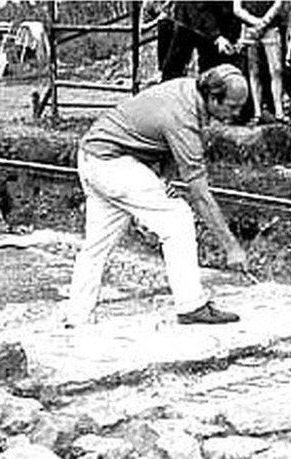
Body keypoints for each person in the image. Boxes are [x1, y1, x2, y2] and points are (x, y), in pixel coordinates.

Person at [66, 64, 250, 327]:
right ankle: (191, 305)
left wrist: (163, 180)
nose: (236, 113)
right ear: (212, 97)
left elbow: (158, 138)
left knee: (97, 244)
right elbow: (199, 194)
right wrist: (231, 246)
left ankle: (78, 316)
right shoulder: (184, 118)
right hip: (113, 163)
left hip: (91, 157)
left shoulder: (187, 89)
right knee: (178, 218)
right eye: (232, 107)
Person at [234, 0, 288, 124]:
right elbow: (237, 8)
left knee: (276, 70)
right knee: (254, 71)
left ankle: (279, 112)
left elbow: (278, 3)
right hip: (249, 30)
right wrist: (255, 21)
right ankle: (257, 112)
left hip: (271, 28)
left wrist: (264, 21)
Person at [158, 1, 240, 81]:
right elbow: (197, 8)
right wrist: (216, 36)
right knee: (175, 67)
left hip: (219, 19)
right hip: (191, 18)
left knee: (221, 72)